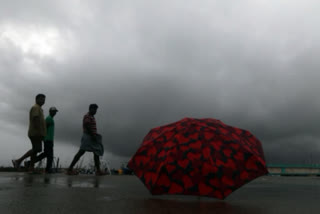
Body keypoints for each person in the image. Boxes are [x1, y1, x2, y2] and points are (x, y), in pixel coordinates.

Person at [67, 104, 106, 176]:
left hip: (91, 137)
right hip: (88, 137)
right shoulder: (87, 116)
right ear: (90, 109)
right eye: (94, 109)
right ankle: (70, 169)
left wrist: (94, 135)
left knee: (96, 153)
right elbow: (87, 125)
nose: (95, 111)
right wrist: (93, 135)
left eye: (96, 110)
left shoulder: (92, 116)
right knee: (81, 152)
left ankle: (98, 171)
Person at [12, 94, 46, 173]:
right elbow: (36, 120)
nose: (43, 101)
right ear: (36, 99)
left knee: (36, 149)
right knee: (36, 149)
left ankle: (30, 167)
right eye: (41, 99)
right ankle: (19, 161)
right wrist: (39, 132)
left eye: (44, 99)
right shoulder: (35, 108)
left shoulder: (40, 109)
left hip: (38, 133)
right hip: (35, 133)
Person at [25, 107, 58, 173]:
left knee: (45, 154)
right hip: (47, 140)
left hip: (49, 140)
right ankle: (48, 169)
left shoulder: (51, 119)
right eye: (53, 111)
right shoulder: (48, 119)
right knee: (50, 155)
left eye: (55, 112)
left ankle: (29, 163)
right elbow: (44, 128)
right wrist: (44, 138)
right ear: (50, 112)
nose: (55, 113)